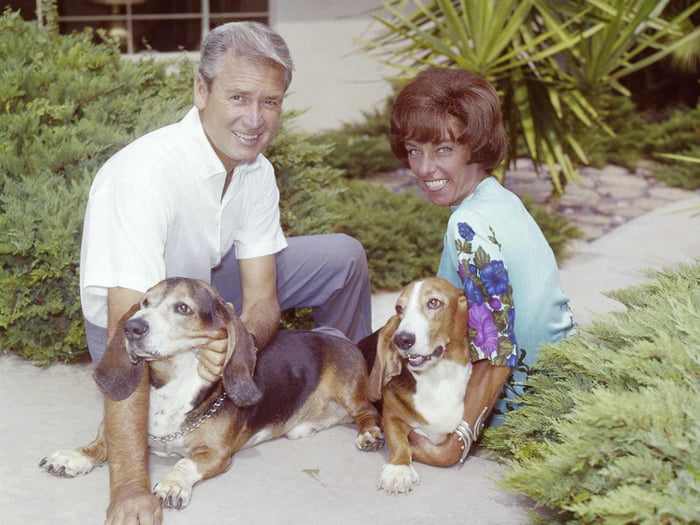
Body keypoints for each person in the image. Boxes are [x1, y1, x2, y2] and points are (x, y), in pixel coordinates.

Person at [79, 21, 371, 524]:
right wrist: (130, 488)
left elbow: (261, 300)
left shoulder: (257, 170)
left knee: (342, 257)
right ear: (200, 89)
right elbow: (127, 322)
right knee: (144, 334)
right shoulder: (142, 177)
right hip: (134, 315)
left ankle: (347, 391)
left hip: (206, 295)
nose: (254, 120)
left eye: (270, 102)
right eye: (238, 97)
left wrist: (234, 349)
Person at [380, 67, 575, 466]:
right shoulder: (501, 199)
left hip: (523, 402)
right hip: (564, 374)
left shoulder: (466, 225)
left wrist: (457, 445)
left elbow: (499, 348)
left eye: (443, 150)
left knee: (379, 370)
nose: (424, 168)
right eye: (415, 150)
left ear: (476, 147)